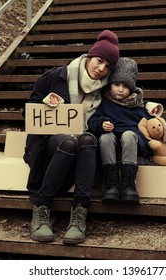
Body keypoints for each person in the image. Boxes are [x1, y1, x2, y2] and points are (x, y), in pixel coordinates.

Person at [23, 30, 119, 245]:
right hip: (50, 143)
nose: (101, 68)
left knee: (87, 140)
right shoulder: (56, 76)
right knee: (68, 141)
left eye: (108, 67)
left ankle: (79, 214)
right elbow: (27, 113)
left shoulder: (106, 92)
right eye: (99, 61)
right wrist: (45, 104)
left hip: (83, 150)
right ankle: (42, 208)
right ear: (89, 57)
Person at [88, 57, 166, 204]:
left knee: (128, 135)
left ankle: (128, 184)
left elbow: (155, 122)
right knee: (106, 137)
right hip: (111, 144)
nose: (120, 89)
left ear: (131, 88)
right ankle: (111, 184)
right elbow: (92, 121)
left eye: (125, 86)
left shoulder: (137, 106)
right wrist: (101, 124)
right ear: (110, 84)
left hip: (132, 143)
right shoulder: (104, 103)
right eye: (116, 84)